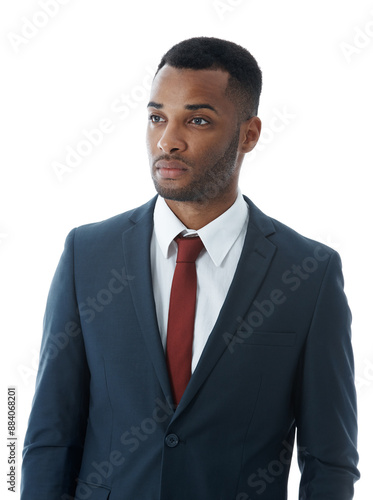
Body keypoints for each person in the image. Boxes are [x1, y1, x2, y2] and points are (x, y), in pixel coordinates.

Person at [21, 37, 359, 500]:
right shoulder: (88, 254)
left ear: (249, 134)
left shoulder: (308, 273)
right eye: (157, 117)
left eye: (196, 120)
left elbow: (330, 462)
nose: (167, 140)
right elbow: (50, 436)